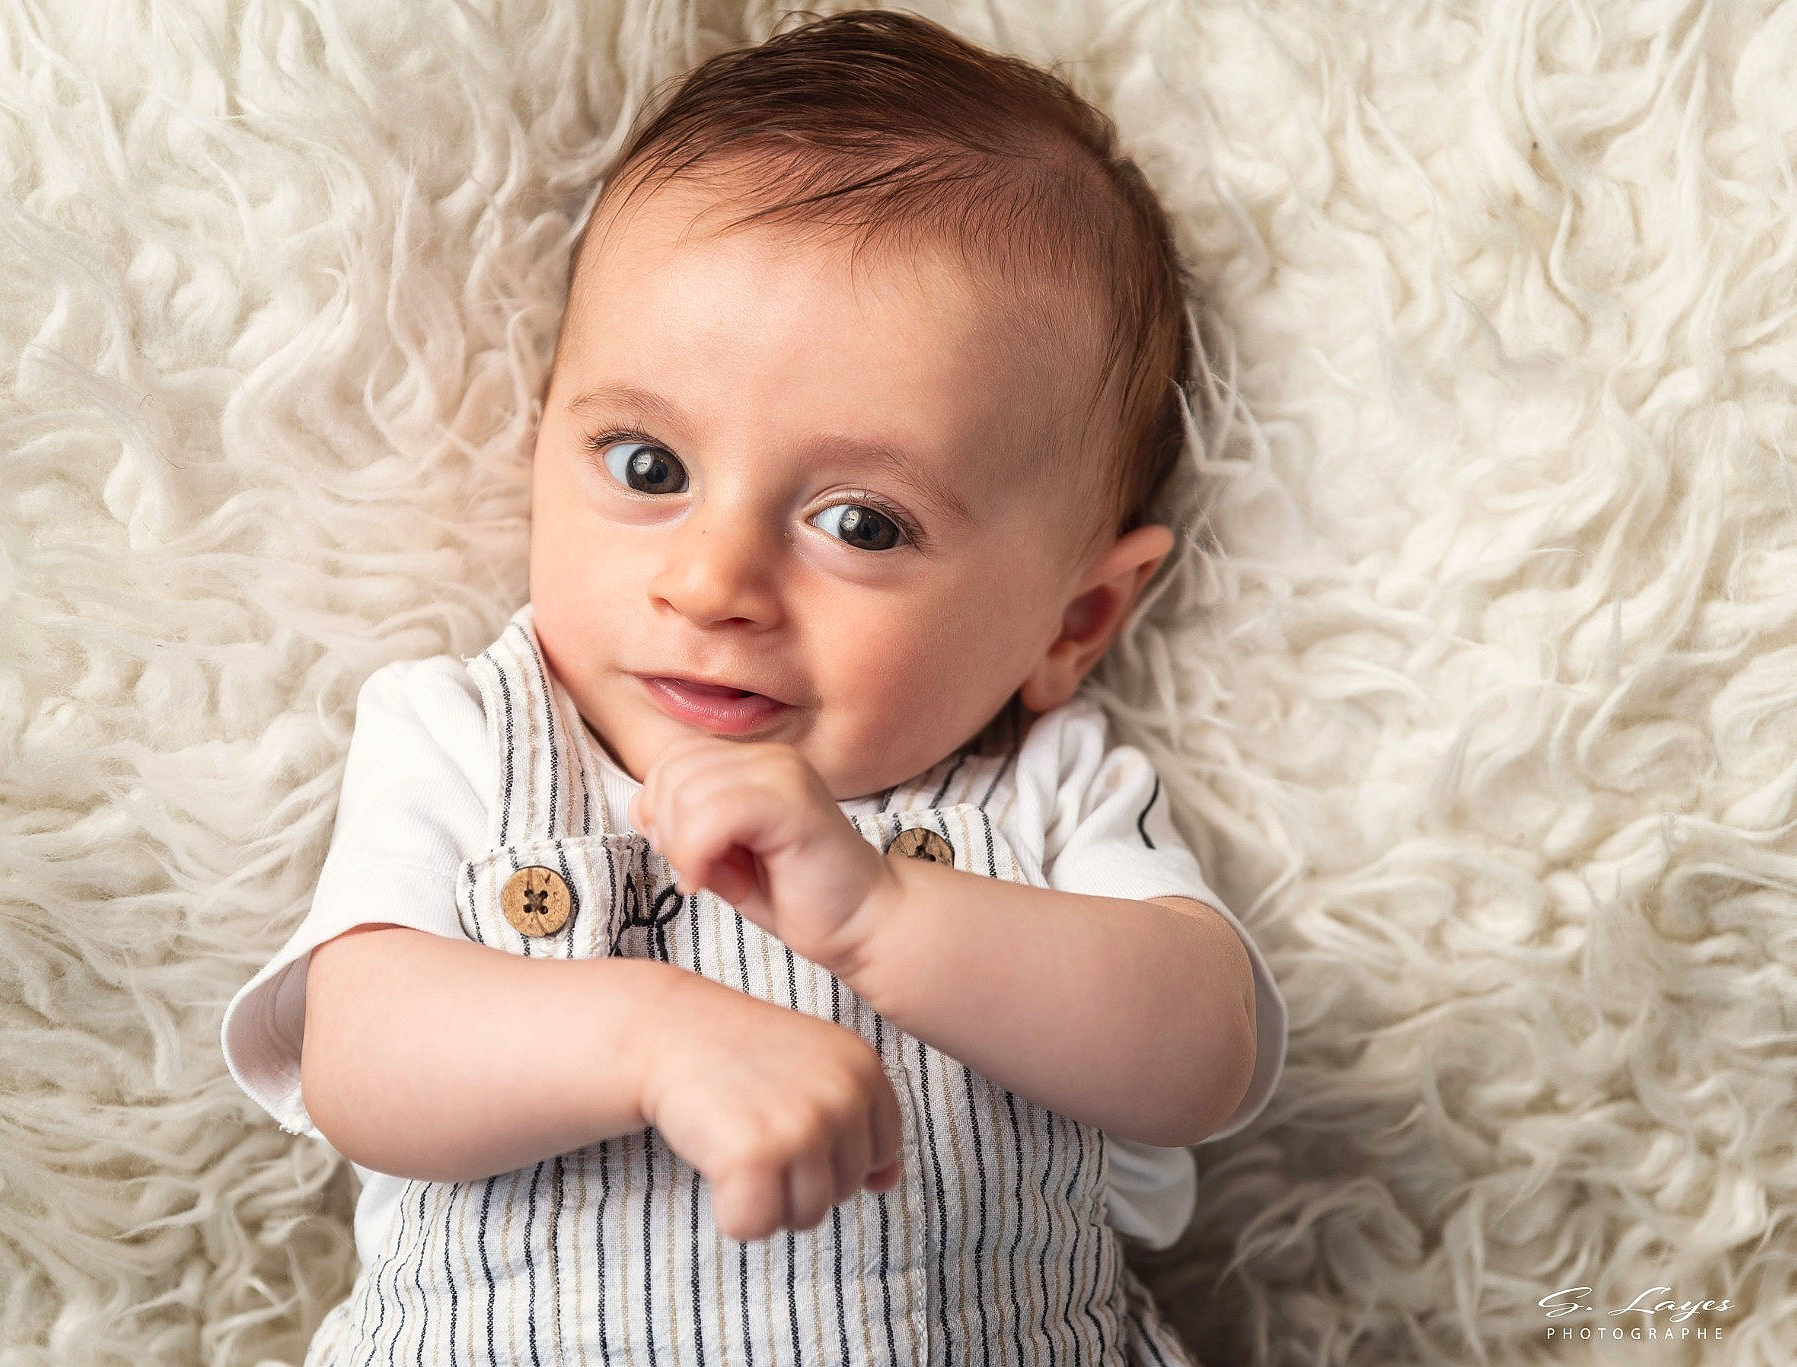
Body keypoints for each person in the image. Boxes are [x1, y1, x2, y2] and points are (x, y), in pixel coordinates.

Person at [221, 10, 1285, 1365]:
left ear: (1072, 620)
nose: (714, 581)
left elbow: (1202, 1054)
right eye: (649, 468)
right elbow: (362, 1059)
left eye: (861, 525)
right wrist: (656, 1041)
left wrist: (891, 915)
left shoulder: (1044, 795)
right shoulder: (469, 737)